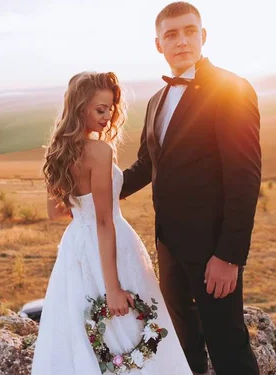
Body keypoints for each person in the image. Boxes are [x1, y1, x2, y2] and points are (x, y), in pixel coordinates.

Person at [120, 1, 262, 375]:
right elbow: (147, 166)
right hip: (168, 246)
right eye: (171, 34)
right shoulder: (156, 102)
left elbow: (244, 177)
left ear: (203, 36)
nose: (181, 40)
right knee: (183, 344)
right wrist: (99, 189)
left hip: (213, 250)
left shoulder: (231, 89)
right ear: (158, 45)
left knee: (228, 345)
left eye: (188, 31)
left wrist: (229, 256)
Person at [31, 71, 192, 374]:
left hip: (76, 248)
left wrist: (83, 212)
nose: (108, 116)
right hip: (110, 247)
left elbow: (56, 212)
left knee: (76, 335)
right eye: (100, 109)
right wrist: (113, 289)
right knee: (127, 334)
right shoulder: (100, 151)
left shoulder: (58, 150)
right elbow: (105, 221)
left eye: (110, 109)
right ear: (81, 108)